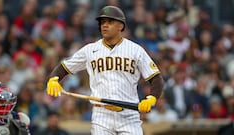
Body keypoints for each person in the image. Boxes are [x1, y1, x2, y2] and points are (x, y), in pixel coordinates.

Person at [46, 6, 164, 135]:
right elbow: (65, 67)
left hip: (129, 115)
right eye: (102, 22)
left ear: (121, 26)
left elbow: (156, 77)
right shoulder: (90, 49)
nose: (105, 25)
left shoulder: (135, 50)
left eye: (110, 22)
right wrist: (54, 78)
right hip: (102, 115)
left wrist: (151, 98)